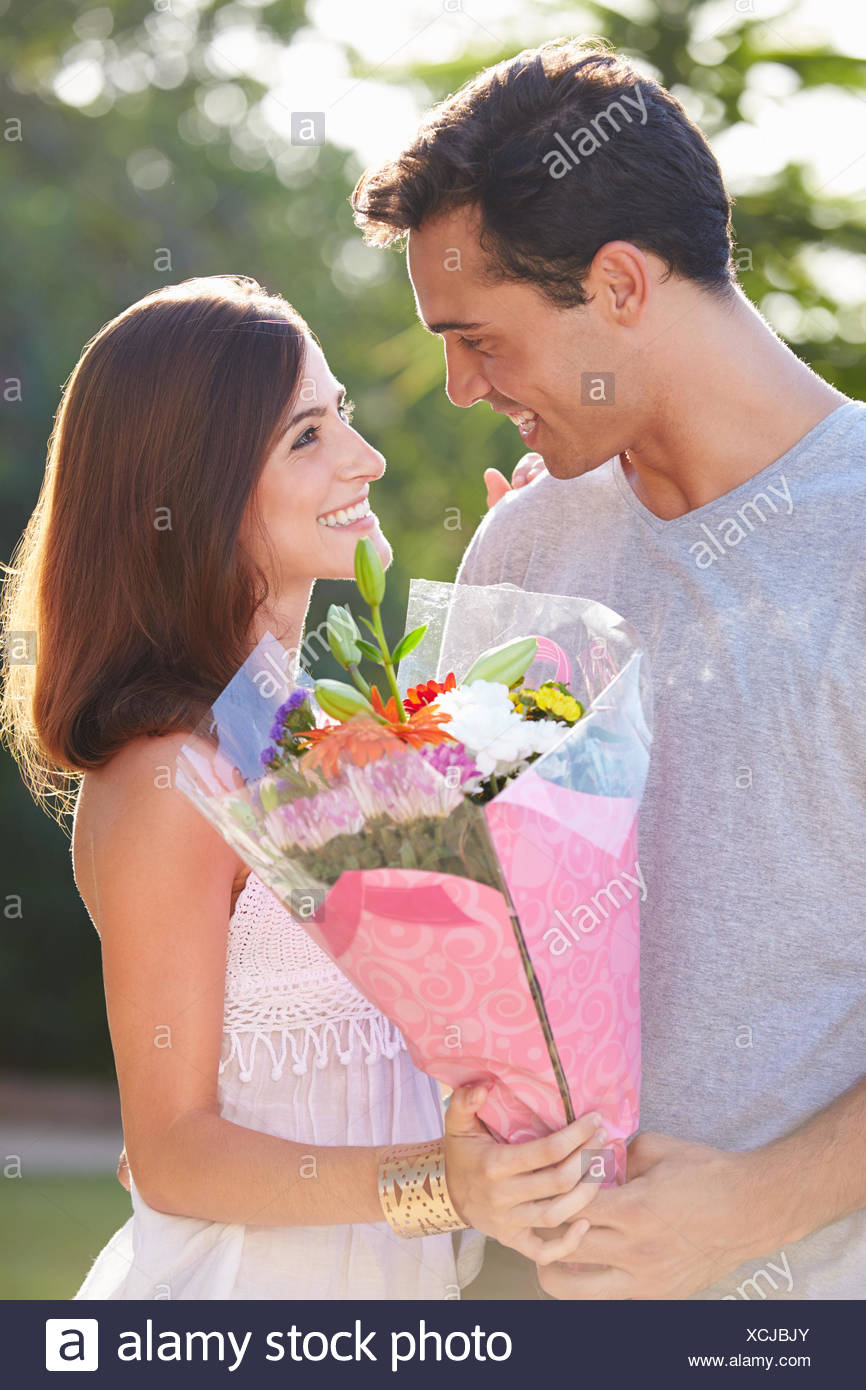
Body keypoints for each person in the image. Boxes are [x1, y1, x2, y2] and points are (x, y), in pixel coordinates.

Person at [352, 38, 866, 1299]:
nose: (462, 388)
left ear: (621, 283)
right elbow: (481, 927)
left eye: (478, 339)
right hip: (563, 1303)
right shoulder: (524, 541)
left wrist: (750, 1204)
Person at [0, 275, 604, 1300]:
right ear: (189, 490)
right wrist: (438, 1187)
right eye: (306, 437)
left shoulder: (310, 733)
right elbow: (169, 1154)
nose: (363, 460)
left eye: (343, 421)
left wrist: (533, 627)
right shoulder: (167, 778)